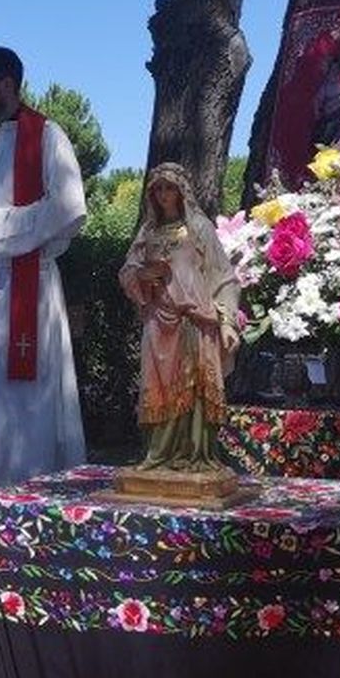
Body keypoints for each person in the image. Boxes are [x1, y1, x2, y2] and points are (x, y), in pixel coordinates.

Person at [0, 46, 87, 487]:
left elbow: (69, 206)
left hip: (31, 290)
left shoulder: (48, 135)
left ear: (7, 84)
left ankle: (35, 485)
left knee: (30, 398)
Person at [117, 162, 241, 472]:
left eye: (169, 188)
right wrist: (143, 274)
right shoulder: (148, 231)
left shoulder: (199, 227)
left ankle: (196, 456)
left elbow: (223, 275)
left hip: (195, 319)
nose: (163, 194)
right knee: (159, 382)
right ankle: (159, 455)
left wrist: (227, 322)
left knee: (195, 387)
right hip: (159, 320)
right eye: (158, 188)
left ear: (181, 191)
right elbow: (128, 271)